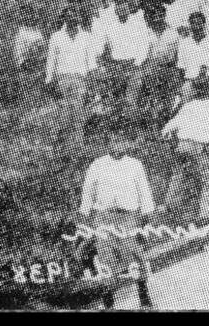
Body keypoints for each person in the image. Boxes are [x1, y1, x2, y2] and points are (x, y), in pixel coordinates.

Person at [77, 128, 155, 309]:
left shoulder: (135, 165)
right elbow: (87, 194)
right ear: (107, 144)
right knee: (106, 258)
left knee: (135, 255)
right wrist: (83, 220)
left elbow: (145, 194)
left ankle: (144, 296)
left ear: (128, 143)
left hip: (128, 217)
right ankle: (108, 302)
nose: (118, 146)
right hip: (103, 217)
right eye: (113, 142)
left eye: (122, 141)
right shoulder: (97, 165)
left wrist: (147, 220)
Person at [161, 71, 209, 222]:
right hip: (200, 148)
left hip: (182, 146)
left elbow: (170, 126)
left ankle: (169, 206)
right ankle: (206, 215)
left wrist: (166, 134)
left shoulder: (188, 106)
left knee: (179, 175)